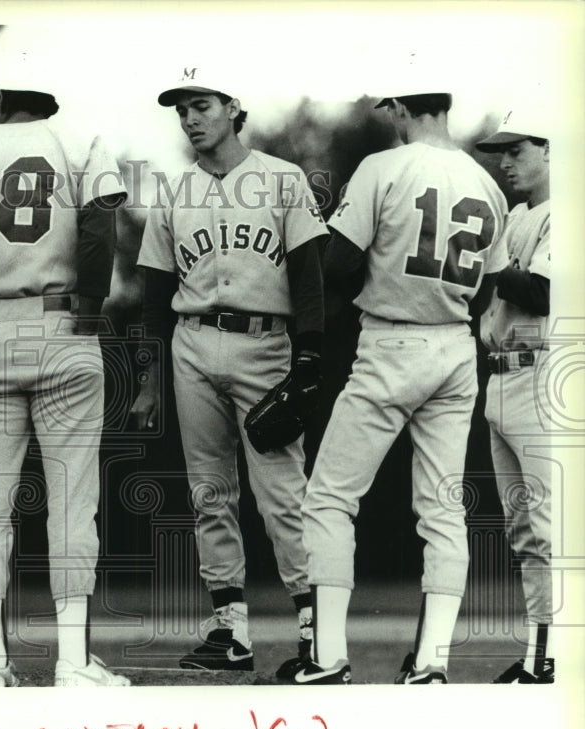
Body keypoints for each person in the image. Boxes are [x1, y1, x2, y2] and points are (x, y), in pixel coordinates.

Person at [0, 68, 130, 688]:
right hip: (60, 324)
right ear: (48, 98)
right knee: (70, 502)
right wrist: (88, 315)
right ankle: (70, 663)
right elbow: (98, 229)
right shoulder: (78, 140)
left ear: (3, 101)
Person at [294, 84, 508, 685]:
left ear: (400, 107)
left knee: (329, 499)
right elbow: (489, 287)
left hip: (392, 339)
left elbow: (336, 265)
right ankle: (433, 662)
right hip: (456, 346)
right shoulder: (486, 182)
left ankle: (328, 657)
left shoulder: (383, 165)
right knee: (443, 511)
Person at [129, 67, 327, 677]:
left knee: (283, 496)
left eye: (201, 104)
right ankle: (229, 634)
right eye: (182, 108)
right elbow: (154, 292)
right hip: (191, 344)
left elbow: (309, 274)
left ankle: (317, 631)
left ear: (232, 107)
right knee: (209, 493)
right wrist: (145, 377)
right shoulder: (173, 190)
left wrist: (311, 355)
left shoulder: (282, 178)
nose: (190, 118)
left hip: (265, 345)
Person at [474, 109, 554, 684]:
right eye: (500, 151)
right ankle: (537, 658)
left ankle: (552, 657)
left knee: (550, 529)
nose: (505, 162)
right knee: (524, 531)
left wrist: (488, 251)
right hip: (499, 378)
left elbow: (543, 292)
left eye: (517, 150)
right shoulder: (519, 217)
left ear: (551, 149)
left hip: (543, 377)